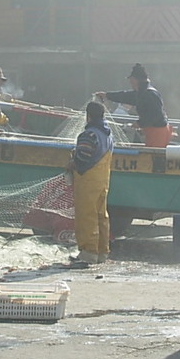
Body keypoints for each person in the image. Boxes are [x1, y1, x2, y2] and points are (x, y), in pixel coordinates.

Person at [66, 101, 114, 265]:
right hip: (102, 182)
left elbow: (84, 155)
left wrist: (73, 162)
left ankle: (88, 252)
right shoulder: (108, 134)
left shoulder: (89, 134)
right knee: (101, 216)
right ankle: (102, 252)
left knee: (86, 216)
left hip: (87, 180)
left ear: (88, 116)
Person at [96, 63, 172, 147]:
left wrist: (140, 123)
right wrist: (107, 95)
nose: (130, 82)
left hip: (158, 131)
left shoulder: (150, 95)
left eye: (131, 80)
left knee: (154, 156)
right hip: (152, 130)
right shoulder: (141, 93)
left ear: (135, 80)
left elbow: (155, 115)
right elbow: (125, 96)